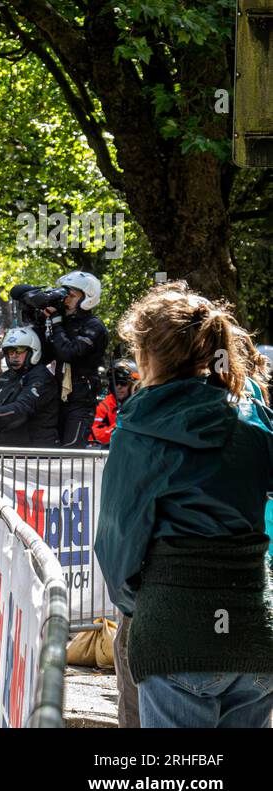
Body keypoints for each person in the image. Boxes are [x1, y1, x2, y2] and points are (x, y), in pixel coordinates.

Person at [94, 282, 273, 728]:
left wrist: (139, 604)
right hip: (254, 620)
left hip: (177, 624)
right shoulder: (251, 411)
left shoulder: (140, 426)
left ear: (147, 354)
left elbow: (118, 540)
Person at [45, 271, 109, 448]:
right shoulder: (62, 322)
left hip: (80, 399)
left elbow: (68, 353)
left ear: (87, 298)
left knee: (71, 451)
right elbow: (45, 354)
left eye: (71, 295)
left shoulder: (94, 326)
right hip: (56, 396)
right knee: (50, 449)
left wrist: (56, 323)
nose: (65, 299)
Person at [0, 327, 60, 446]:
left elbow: (20, 410)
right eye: (9, 352)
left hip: (36, 451)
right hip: (11, 444)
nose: (13, 356)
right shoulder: (8, 376)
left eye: (19, 351)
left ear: (32, 351)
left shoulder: (40, 377)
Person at [88, 359, 140, 448]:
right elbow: (91, 434)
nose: (118, 387)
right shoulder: (106, 405)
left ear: (134, 385)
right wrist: (119, 427)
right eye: (115, 382)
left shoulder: (142, 402)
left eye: (123, 383)